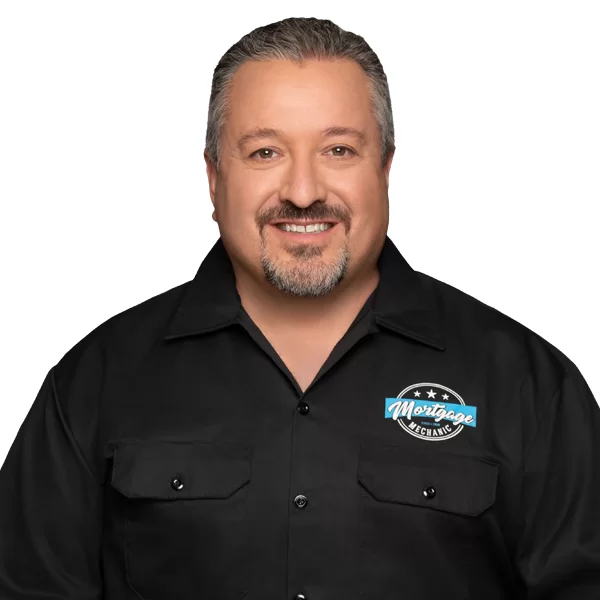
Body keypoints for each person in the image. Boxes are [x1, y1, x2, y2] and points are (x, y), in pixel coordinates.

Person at [0, 16, 598, 599]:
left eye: (339, 149)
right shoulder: (96, 382)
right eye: (265, 153)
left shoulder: (529, 387)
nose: (304, 192)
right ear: (213, 177)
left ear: (385, 169)